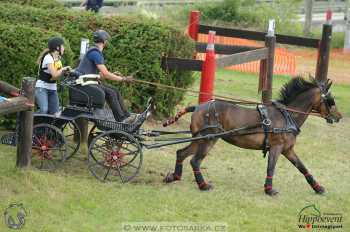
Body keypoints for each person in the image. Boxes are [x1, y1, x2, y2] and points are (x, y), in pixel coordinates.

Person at [75, 29, 135, 122]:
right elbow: (106, 74)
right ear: (103, 41)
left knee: (115, 90)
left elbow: (99, 74)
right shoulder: (95, 53)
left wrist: (113, 75)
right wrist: (123, 79)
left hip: (88, 81)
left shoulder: (93, 51)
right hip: (85, 84)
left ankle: (127, 116)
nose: (107, 42)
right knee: (111, 93)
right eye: (106, 40)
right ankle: (121, 119)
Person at [35, 37, 70, 115]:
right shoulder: (48, 58)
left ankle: (46, 127)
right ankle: (30, 123)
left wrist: (65, 72)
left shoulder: (58, 59)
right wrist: (62, 69)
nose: (64, 48)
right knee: (44, 110)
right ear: (57, 47)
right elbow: (54, 74)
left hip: (52, 88)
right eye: (62, 46)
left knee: (55, 113)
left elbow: (56, 76)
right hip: (42, 88)